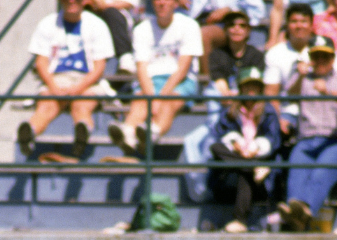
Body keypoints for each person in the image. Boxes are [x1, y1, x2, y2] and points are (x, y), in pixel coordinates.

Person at [18, 0, 114, 159]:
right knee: (47, 106)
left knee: (82, 106)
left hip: (87, 80)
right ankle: (29, 131)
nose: (71, 1)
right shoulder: (47, 23)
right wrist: (53, 87)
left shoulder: (97, 25)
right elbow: (41, 63)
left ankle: (81, 134)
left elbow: (98, 68)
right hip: (57, 78)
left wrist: (77, 89)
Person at [280, 35, 337, 231]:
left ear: (333, 58)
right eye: (316, 57)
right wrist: (301, 75)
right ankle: (295, 213)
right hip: (306, 140)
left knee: (321, 172)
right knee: (296, 170)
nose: (321, 61)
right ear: (310, 59)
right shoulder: (303, 79)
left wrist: (328, 91)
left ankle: (303, 211)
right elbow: (291, 94)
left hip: (335, 141)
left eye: (325, 56)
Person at [107, 0, 202, 156]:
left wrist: (160, 98)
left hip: (180, 82)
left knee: (168, 102)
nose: (161, 3)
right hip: (150, 82)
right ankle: (128, 133)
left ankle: (151, 134)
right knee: (140, 101)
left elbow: (183, 69)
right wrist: (152, 97)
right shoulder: (142, 29)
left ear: (175, 4)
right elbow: (141, 68)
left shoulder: (189, 25)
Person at [206, 67, 280, 231]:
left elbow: (273, 140)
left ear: (260, 89)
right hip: (237, 167)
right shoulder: (230, 111)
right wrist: (234, 143)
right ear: (241, 88)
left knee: (244, 171)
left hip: (260, 171)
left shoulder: (268, 111)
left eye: (255, 86)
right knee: (216, 147)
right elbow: (220, 133)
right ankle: (251, 166)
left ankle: (240, 220)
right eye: (248, 86)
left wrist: (257, 148)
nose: (251, 91)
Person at [263, 2, 337, 139]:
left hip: (321, 109)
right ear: (287, 25)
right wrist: (277, 119)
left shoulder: (326, 51)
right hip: (288, 111)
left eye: (304, 21)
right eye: (294, 21)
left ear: (312, 25)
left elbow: (336, 85)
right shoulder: (275, 53)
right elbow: (271, 94)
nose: (299, 26)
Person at [85, 0, 140, 74]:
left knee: (111, 12)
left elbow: (128, 3)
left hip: (116, 21)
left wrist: (101, 5)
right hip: (90, 16)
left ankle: (125, 57)